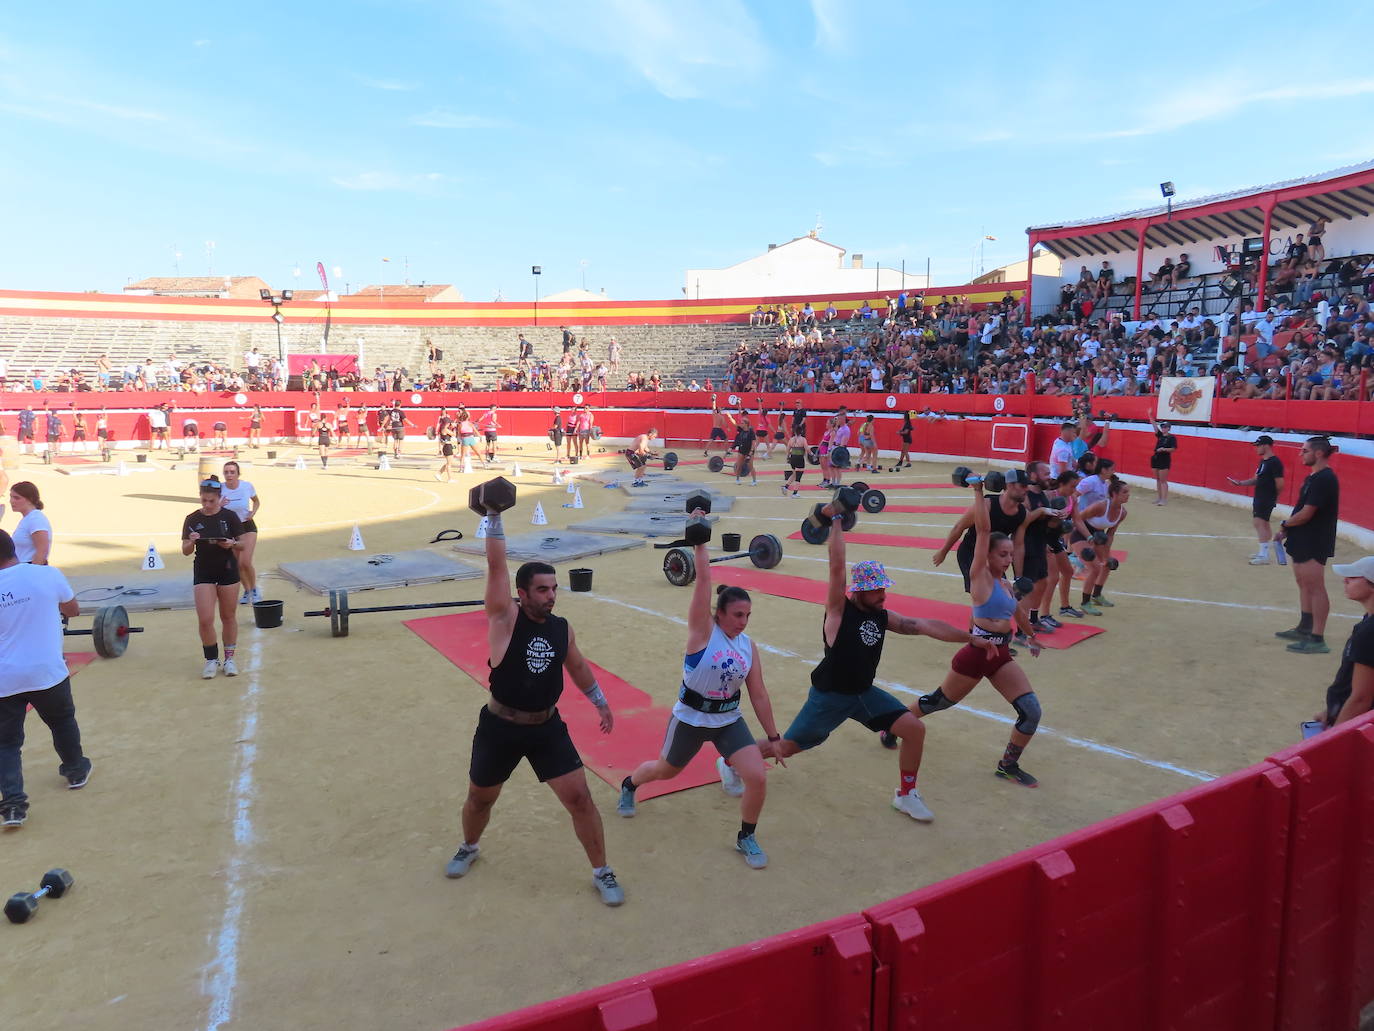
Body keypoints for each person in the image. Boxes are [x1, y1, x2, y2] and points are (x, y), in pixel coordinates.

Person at [445, 495, 625, 906]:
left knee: (580, 798)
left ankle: (602, 870)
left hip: (546, 728)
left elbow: (577, 667)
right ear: (521, 594)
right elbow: (495, 567)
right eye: (542, 590)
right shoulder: (505, 618)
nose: (551, 596)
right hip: (500, 727)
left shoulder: (562, 628)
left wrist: (599, 700)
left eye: (554, 589)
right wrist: (493, 516)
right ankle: (469, 847)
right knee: (480, 798)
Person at [767, 507, 993, 822]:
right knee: (789, 746)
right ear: (860, 590)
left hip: (863, 694)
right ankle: (735, 761)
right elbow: (836, 568)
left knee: (914, 730)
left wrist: (970, 639)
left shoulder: (881, 615)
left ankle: (906, 795)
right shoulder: (838, 611)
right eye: (878, 589)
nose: (884, 594)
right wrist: (834, 519)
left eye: (884, 588)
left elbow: (921, 625)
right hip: (830, 697)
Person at [616, 516, 783, 869]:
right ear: (719, 614)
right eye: (737, 614)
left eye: (748, 615)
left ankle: (746, 837)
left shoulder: (748, 647)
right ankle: (630, 784)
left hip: (727, 722)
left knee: (756, 775)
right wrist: (701, 543)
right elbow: (703, 582)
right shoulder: (703, 634)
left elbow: (759, 693)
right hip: (690, 720)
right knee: (665, 771)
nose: (743, 622)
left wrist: (773, 736)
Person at [910, 477, 1045, 787]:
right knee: (939, 702)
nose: (1008, 559)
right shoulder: (980, 576)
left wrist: (1031, 636)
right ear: (988, 556)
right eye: (1003, 555)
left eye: (1010, 555)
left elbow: (1017, 613)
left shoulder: (1006, 585)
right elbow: (982, 530)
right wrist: (978, 490)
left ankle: (1008, 766)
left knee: (1030, 712)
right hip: (975, 653)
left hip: (999, 654)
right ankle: (894, 724)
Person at [0, 530, 92, 828]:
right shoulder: (47, 574)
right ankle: (75, 771)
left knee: (6, 743)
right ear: (13, 548)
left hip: (5, 677)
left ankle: (13, 806)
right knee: (62, 720)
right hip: (46, 671)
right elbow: (73, 610)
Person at [1276, 436, 1340, 655]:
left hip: (1315, 538)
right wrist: (1288, 528)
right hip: (1304, 537)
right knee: (1304, 583)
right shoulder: (1314, 477)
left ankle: (1317, 637)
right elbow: (1301, 510)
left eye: (1304, 451)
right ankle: (1305, 627)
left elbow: (1306, 514)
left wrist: (1286, 524)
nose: (1300, 454)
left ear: (1319, 453)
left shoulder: (1324, 479)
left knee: (1315, 586)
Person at [181, 476, 244, 679]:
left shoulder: (230, 517)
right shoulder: (192, 519)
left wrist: (231, 544)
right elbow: (185, 550)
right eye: (204, 500)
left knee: (228, 616)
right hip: (204, 571)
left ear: (219, 498)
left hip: (227, 569)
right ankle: (211, 659)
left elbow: (243, 544)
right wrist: (191, 542)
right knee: (206, 619)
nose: (207, 505)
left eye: (211, 501)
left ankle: (229, 659)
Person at [933, 469, 1031, 593]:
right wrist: (943, 551)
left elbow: (1018, 546)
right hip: (970, 553)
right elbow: (959, 527)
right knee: (982, 594)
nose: (1027, 489)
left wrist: (1018, 577)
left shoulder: (1023, 514)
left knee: (1001, 594)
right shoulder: (987, 505)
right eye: (1023, 485)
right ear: (1009, 485)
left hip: (993, 557)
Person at [1315, 556, 1374, 728]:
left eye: (1354, 577)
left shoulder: (1369, 632)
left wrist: (1333, 738)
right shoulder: (1367, 621)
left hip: (1357, 725)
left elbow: (1361, 698)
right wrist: (1333, 711)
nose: (1345, 580)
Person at [1071, 478, 1130, 615]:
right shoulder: (1100, 506)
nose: (1128, 495)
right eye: (1124, 492)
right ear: (1114, 494)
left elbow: (1110, 534)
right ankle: (1085, 603)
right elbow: (1078, 519)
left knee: (1107, 564)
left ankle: (1096, 596)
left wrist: (1106, 554)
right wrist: (1087, 538)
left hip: (1099, 537)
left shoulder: (1123, 513)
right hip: (1081, 535)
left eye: (1128, 492)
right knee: (1095, 568)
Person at [1228, 435, 1287, 566]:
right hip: (1261, 495)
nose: (1256, 448)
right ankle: (1263, 552)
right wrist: (1240, 483)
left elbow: (1280, 483)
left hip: (1266, 496)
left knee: (1258, 522)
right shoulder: (1264, 462)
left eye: (1258, 446)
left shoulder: (1274, 462)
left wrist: (1274, 496)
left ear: (1266, 445)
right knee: (1263, 523)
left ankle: (1264, 555)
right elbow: (1257, 479)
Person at [220, 462, 261, 605]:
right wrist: (219, 505)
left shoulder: (247, 486)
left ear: (238, 473)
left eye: (232, 472)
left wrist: (253, 512)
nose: (229, 475)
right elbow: (212, 508)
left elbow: (256, 501)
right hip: (231, 529)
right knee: (237, 564)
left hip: (247, 526)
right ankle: (247, 590)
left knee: (245, 561)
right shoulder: (220, 489)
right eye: (226, 472)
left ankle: (255, 589)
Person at [9, 482, 52, 565]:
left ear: (30, 500)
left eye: (17, 498)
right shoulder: (28, 518)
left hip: (29, 568)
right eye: (11, 497)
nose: (11, 501)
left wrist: (32, 573)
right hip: (23, 567)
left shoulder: (36, 519)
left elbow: (42, 551)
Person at [1149, 418, 1177, 505]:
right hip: (1156, 458)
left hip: (1164, 459)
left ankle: (1164, 500)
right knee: (1158, 480)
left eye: (1165, 427)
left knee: (1163, 480)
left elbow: (1173, 449)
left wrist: (1164, 449)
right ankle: (1160, 498)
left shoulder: (1171, 437)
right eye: (1163, 427)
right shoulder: (1160, 435)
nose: (1163, 428)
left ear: (1169, 428)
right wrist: (1150, 416)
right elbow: (1154, 426)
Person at [781, 423, 808, 497]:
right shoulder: (803, 439)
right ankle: (795, 493)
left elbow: (787, 450)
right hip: (799, 458)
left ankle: (785, 487)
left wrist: (788, 458)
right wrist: (812, 455)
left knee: (794, 474)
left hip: (792, 458)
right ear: (801, 431)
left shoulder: (791, 439)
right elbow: (807, 449)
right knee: (798, 476)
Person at [435, 411, 457, 483]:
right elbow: (453, 434)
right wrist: (454, 428)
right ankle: (450, 478)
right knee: (449, 464)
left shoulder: (443, 429)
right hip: (447, 446)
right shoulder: (445, 429)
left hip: (447, 446)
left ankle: (439, 473)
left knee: (449, 462)